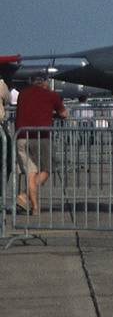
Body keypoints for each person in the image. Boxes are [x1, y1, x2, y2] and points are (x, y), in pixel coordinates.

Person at [15, 73, 67, 214]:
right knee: (48, 168)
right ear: (45, 83)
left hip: (21, 136)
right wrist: (53, 114)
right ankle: (24, 196)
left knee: (30, 172)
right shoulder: (51, 95)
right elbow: (64, 114)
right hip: (40, 136)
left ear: (31, 83)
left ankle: (35, 206)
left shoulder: (23, 94)